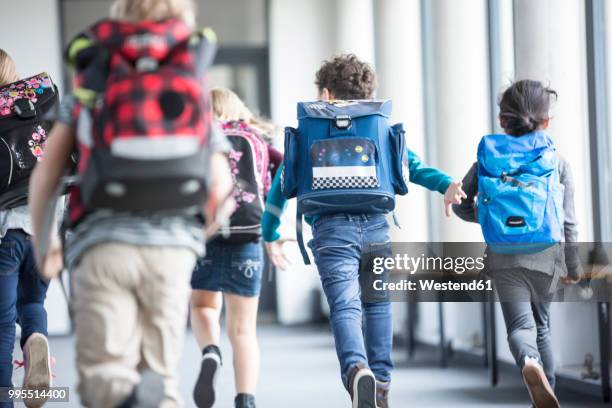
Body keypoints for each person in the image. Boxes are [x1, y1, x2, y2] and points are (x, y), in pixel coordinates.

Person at [28, 1, 234, 407]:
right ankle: (153, 394)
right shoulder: (190, 91)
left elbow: (46, 175)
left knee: (105, 371)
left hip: (103, 247)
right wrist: (197, 233)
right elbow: (222, 187)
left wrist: (44, 244)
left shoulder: (91, 88)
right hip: (172, 253)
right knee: (161, 370)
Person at [262, 54, 466, 408]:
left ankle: (357, 371)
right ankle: (382, 380)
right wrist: (446, 183)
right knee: (378, 305)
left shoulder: (309, 128)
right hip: (375, 227)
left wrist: (269, 232)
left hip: (329, 231)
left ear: (325, 93)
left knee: (345, 306)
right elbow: (411, 166)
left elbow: (280, 186)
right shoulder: (378, 125)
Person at [453, 80, 581, 408]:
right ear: (546, 122)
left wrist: (492, 222)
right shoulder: (558, 162)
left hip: (504, 258)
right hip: (547, 256)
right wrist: (573, 264)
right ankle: (548, 390)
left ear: (502, 120)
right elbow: (568, 221)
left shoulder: (487, 159)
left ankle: (528, 362)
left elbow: (461, 204)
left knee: (520, 327)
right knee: (543, 327)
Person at [190, 87, 282, 408]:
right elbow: (270, 188)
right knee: (243, 330)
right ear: (237, 109)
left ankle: (210, 352)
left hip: (207, 235)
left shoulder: (201, 139)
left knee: (203, 307)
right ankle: (245, 400)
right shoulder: (258, 141)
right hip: (248, 236)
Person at [0, 48, 55, 408]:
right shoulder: (37, 104)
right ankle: (35, 336)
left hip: (4, 235)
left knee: (2, 326)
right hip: (43, 229)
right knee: (32, 301)